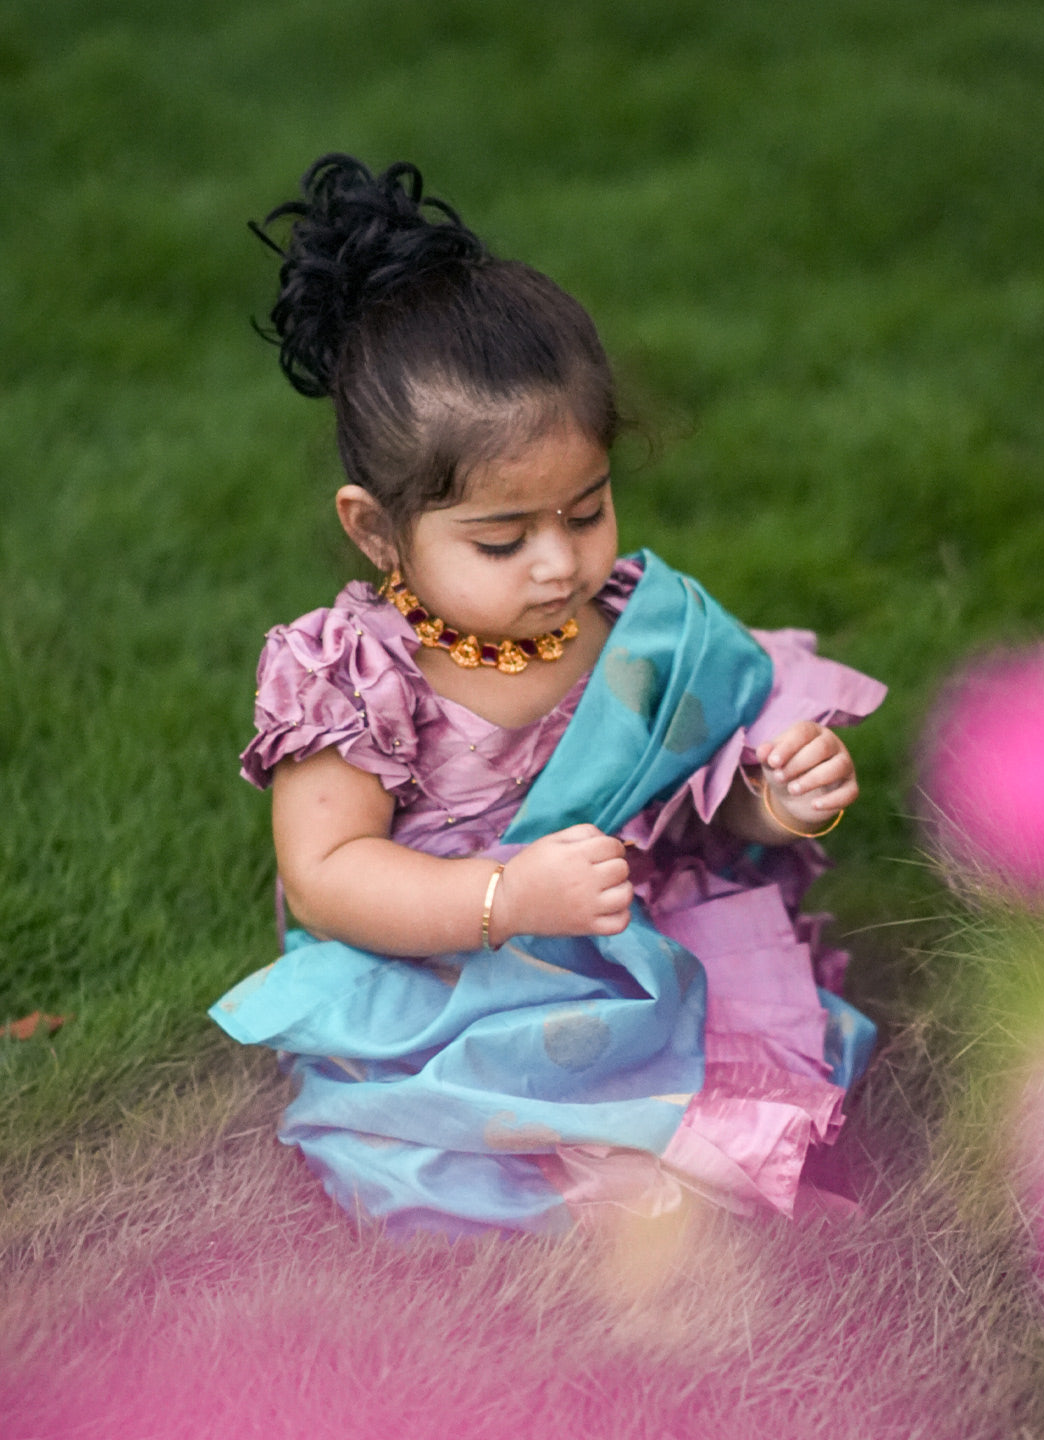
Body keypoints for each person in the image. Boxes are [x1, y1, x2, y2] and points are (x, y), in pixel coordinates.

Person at [210, 155, 887, 1238]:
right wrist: (507, 902)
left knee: (747, 1073)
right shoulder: (357, 672)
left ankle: (687, 1171)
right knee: (460, 1151)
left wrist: (781, 796)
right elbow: (328, 875)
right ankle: (610, 1188)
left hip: (632, 939)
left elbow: (696, 810)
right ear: (376, 530)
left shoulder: (633, 628)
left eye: (585, 511)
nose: (556, 565)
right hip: (451, 967)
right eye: (500, 538)